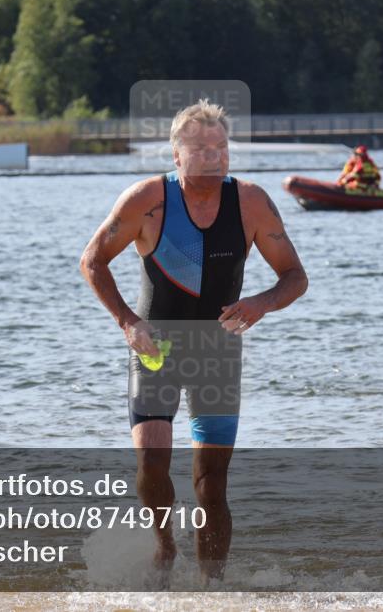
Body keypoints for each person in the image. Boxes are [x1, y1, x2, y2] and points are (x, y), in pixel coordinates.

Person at [80, 99, 308, 583]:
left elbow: (294, 276)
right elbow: (92, 262)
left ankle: (213, 587)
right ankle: (164, 547)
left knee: (211, 484)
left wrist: (260, 303)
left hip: (218, 352)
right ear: (176, 156)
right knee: (153, 463)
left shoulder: (249, 202)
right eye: (200, 147)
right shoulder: (147, 199)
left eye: (221, 146)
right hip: (155, 348)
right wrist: (127, 323)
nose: (213, 155)